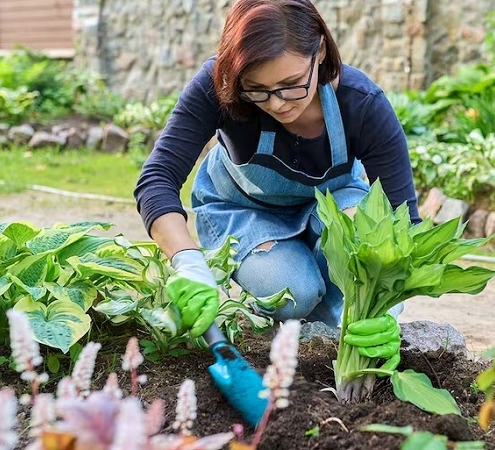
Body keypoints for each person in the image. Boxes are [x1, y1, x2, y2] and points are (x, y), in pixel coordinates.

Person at [134, 0, 419, 361]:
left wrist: (386, 309)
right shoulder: (216, 85)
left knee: (356, 261)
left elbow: (400, 217)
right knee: (292, 293)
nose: (278, 103)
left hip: (334, 204)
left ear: (319, 51)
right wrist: (187, 262)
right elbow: (157, 178)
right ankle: (305, 309)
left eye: (291, 84)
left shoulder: (361, 103)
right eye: (258, 89)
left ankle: (331, 324)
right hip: (242, 209)